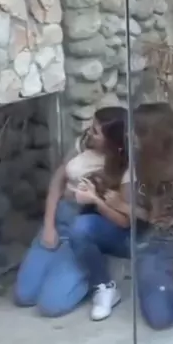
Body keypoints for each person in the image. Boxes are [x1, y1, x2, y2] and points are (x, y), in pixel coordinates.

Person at [14, 106, 147, 321]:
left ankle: (94, 267)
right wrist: (48, 225)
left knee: (50, 306)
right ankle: (63, 266)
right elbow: (58, 182)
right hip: (61, 218)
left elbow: (124, 220)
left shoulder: (124, 167)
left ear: (112, 140)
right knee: (24, 296)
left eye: (96, 131)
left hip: (82, 229)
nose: (89, 132)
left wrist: (96, 200)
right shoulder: (82, 144)